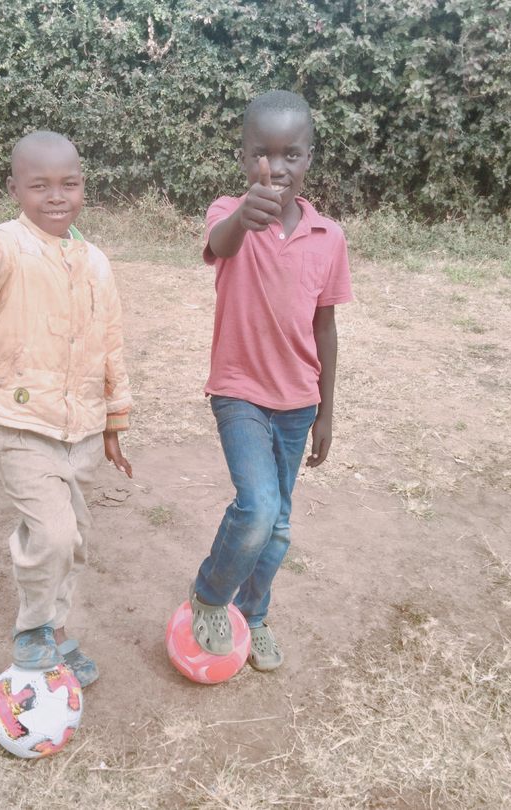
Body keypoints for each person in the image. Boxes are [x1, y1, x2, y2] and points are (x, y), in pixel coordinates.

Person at [0, 130, 133, 687]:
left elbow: (111, 343)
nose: (56, 196)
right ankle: (32, 629)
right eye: (39, 186)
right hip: (24, 425)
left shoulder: (96, 261)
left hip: (83, 432)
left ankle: (54, 630)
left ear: (83, 186)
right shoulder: (7, 243)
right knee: (51, 534)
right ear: (14, 190)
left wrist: (114, 421)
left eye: (68, 184)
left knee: (72, 542)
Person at [189, 90, 352, 671]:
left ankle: (252, 615)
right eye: (261, 153)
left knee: (278, 529)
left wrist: (326, 412)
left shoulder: (328, 237)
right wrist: (243, 215)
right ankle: (210, 595)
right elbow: (220, 242)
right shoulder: (227, 213)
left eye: (290, 155)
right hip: (239, 393)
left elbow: (325, 327)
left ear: (309, 158)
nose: (275, 167)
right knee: (257, 509)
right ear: (243, 157)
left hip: (298, 403)